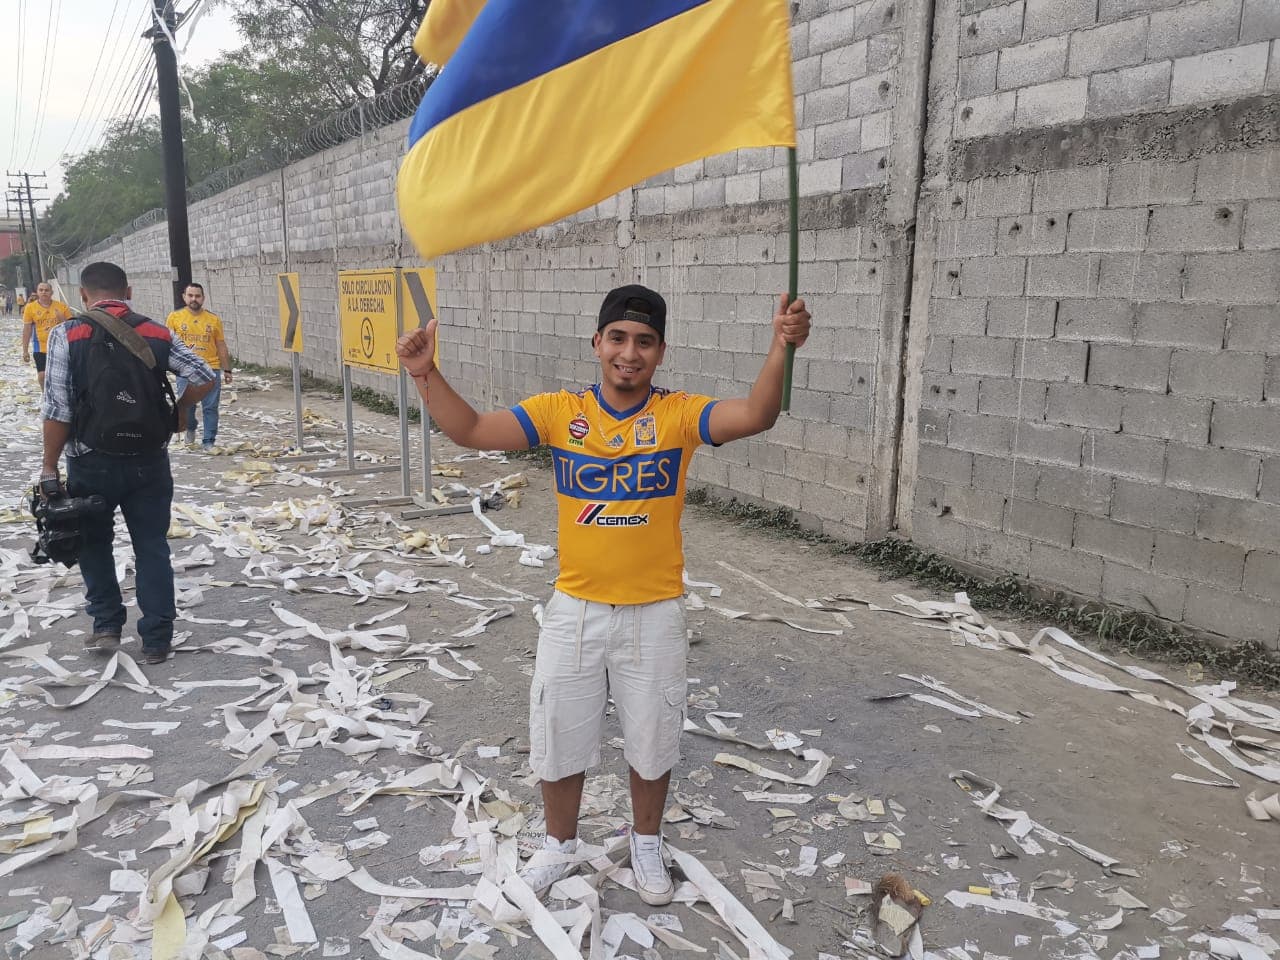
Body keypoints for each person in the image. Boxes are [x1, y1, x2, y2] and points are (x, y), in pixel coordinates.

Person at [396, 284, 811, 904]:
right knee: (559, 735)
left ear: (661, 352)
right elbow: (474, 431)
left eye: (644, 341)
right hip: (576, 609)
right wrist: (425, 373)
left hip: (655, 611)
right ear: (597, 343)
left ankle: (647, 842)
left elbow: (756, 414)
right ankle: (560, 847)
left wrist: (781, 345)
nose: (629, 352)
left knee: (653, 737)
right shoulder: (561, 411)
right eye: (618, 337)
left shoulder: (676, 415)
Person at [40, 261, 216, 665]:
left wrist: (50, 467)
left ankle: (105, 625)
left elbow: (58, 409)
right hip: (149, 461)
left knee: (94, 543)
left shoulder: (68, 333)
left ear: (84, 296)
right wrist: (181, 410)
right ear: (129, 291)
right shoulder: (157, 331)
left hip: (90, 460)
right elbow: (204, 375)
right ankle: (156, 638)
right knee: (152, 545)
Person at [165, 281, 232, 449]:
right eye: (190, 295)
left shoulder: (213, 320)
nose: (194, 299)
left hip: (210, 368)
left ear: (203, 298)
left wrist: (227, 369)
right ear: (184, 297)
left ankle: (209, 441)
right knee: (187, 405)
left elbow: (221, 345)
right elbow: (167, 343)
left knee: (210, 407)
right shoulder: (174, 318)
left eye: (197, 296)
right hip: (185, 369)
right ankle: (190, 428)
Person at [21, 281, 74, 390]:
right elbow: (27, 330)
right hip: (40, 347)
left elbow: (71, 327)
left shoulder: (61, 307)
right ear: (37, 292)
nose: (44, 292)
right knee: (42, 375)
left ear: (52, 292)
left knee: (61, 375)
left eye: (46, 290)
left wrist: (62, 320)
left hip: (59, 346)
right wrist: (25, 350)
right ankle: (45, 396)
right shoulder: (30, 308)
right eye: (41, 290)